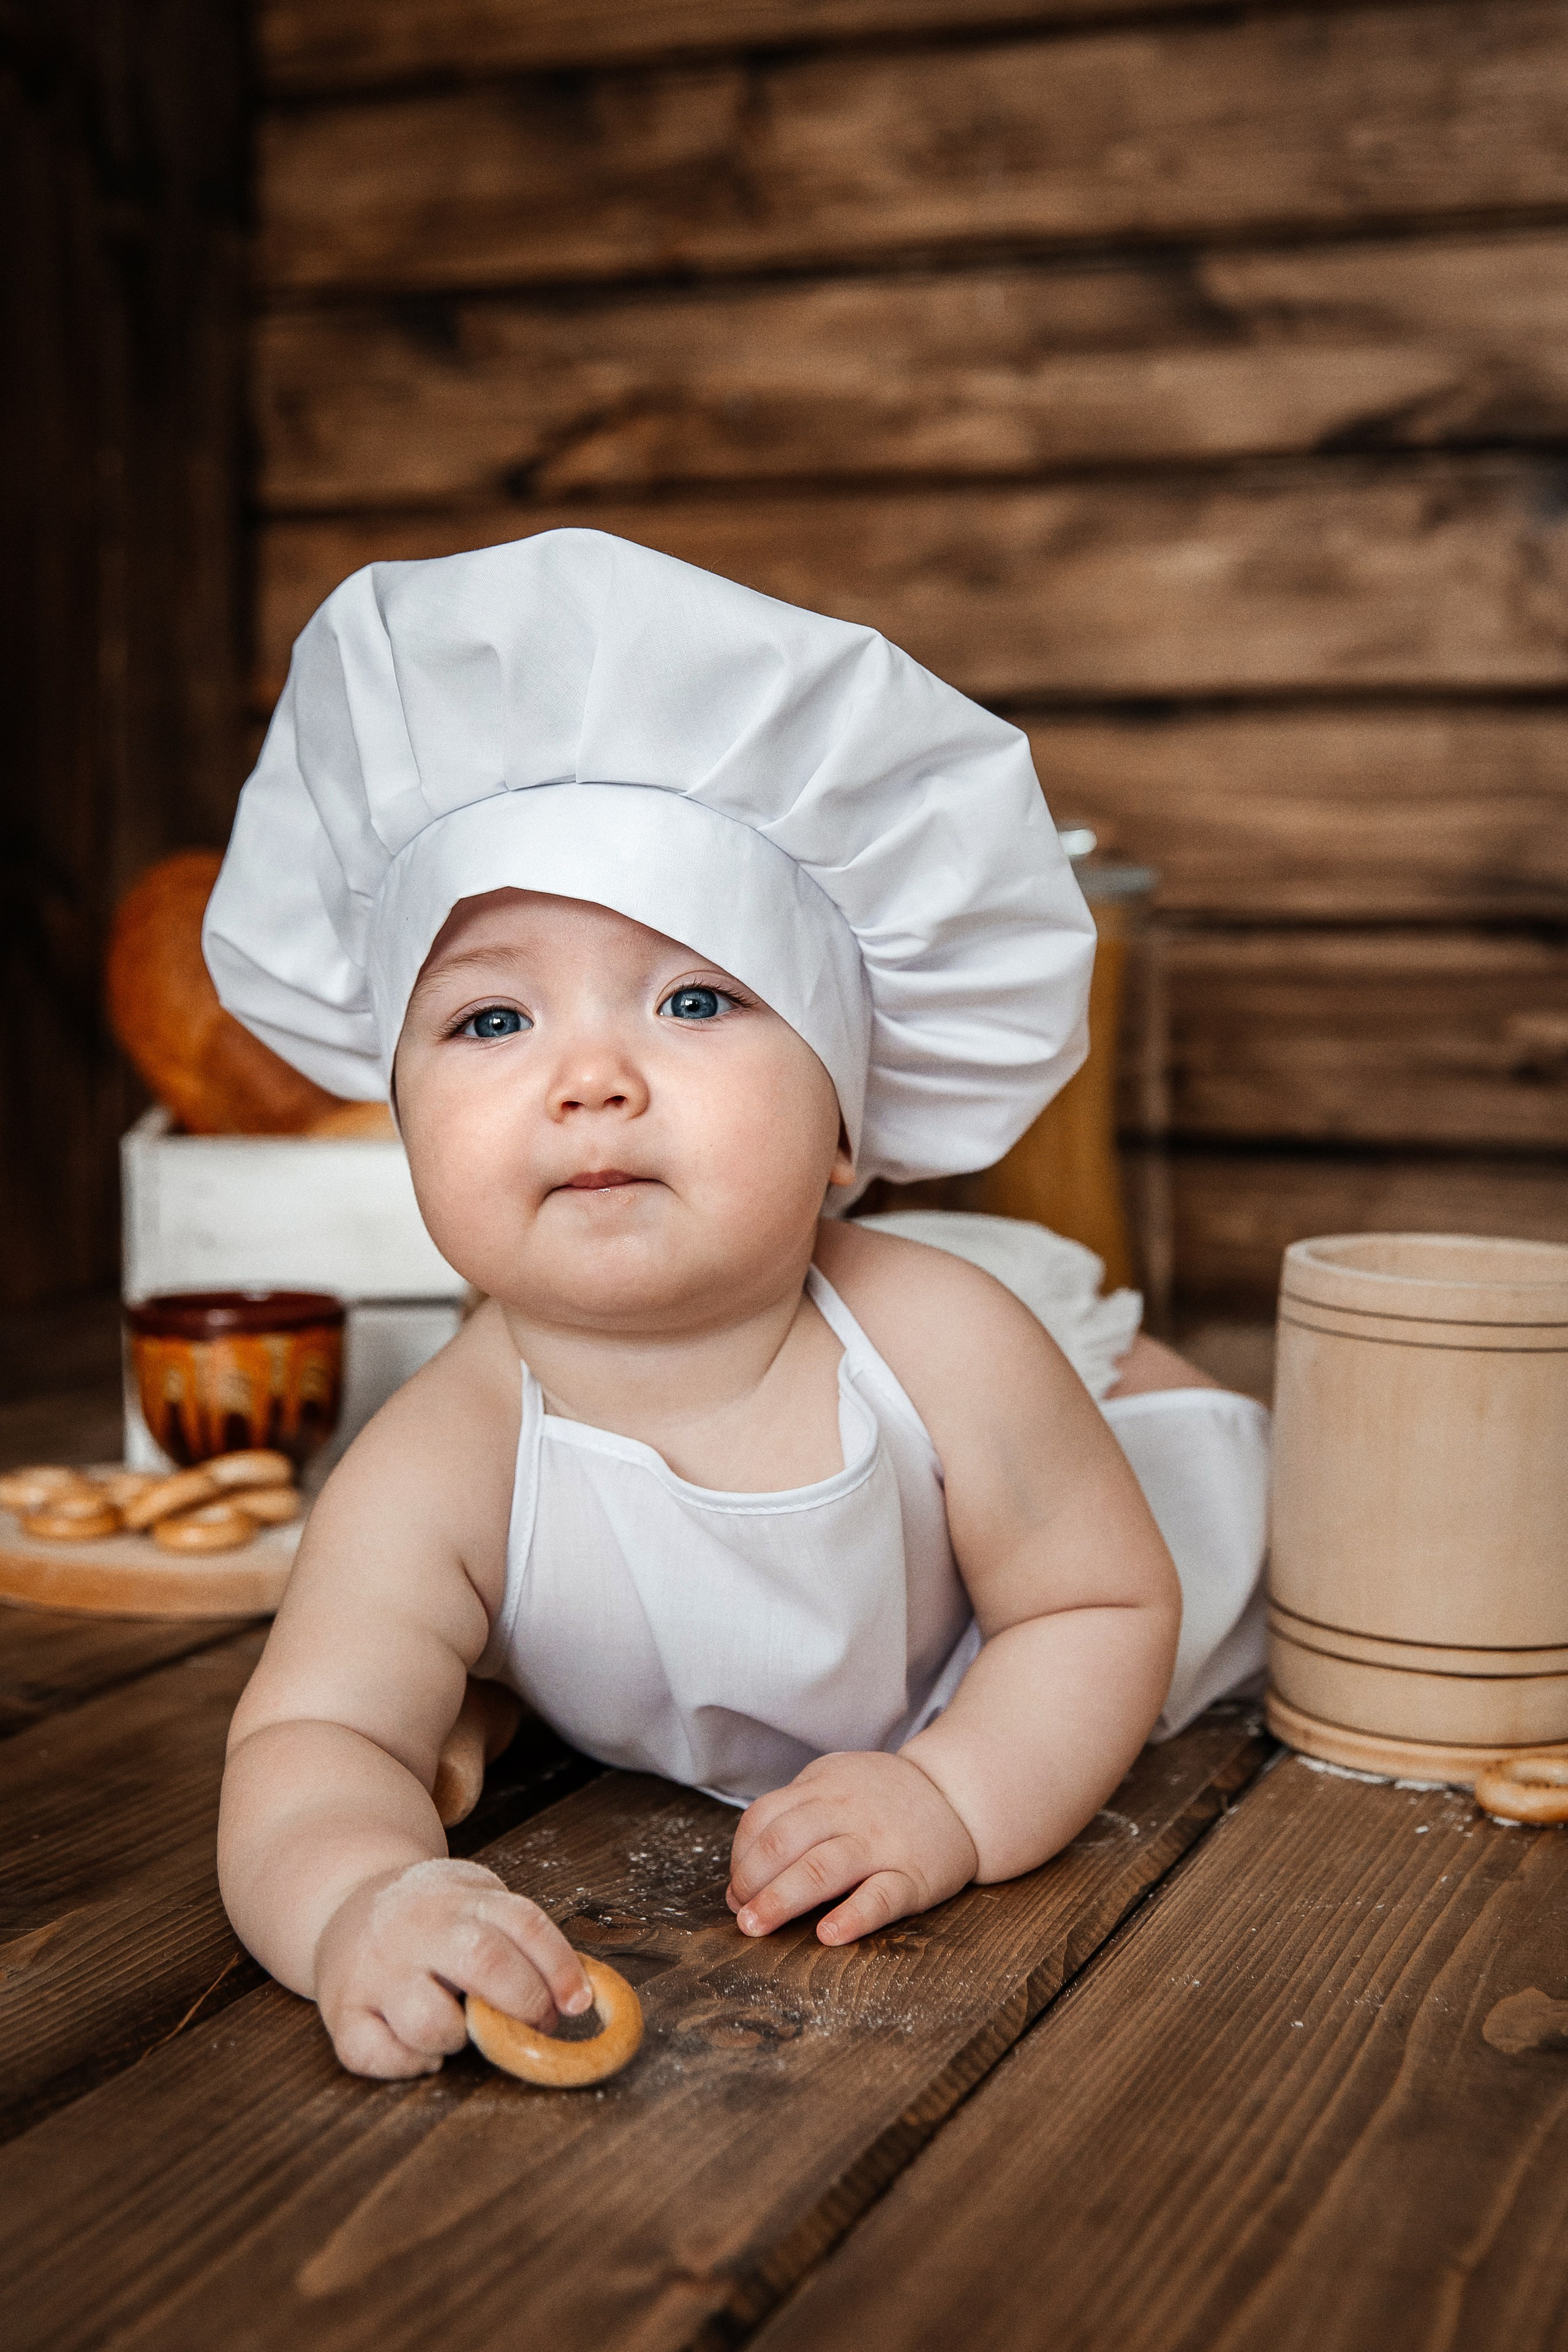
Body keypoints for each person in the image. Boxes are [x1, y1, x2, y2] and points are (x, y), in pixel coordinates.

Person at [208, 530, 1268, 2079]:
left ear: (846, 1122)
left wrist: (956, 1797)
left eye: (694, 998)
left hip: (1072, 1502)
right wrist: (358, 1895)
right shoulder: (438, 1458)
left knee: (1264, 1528)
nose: (591, 1079)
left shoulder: (942, 1340)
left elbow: (1095, 1606)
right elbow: (316, 1742)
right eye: (491, 1016)